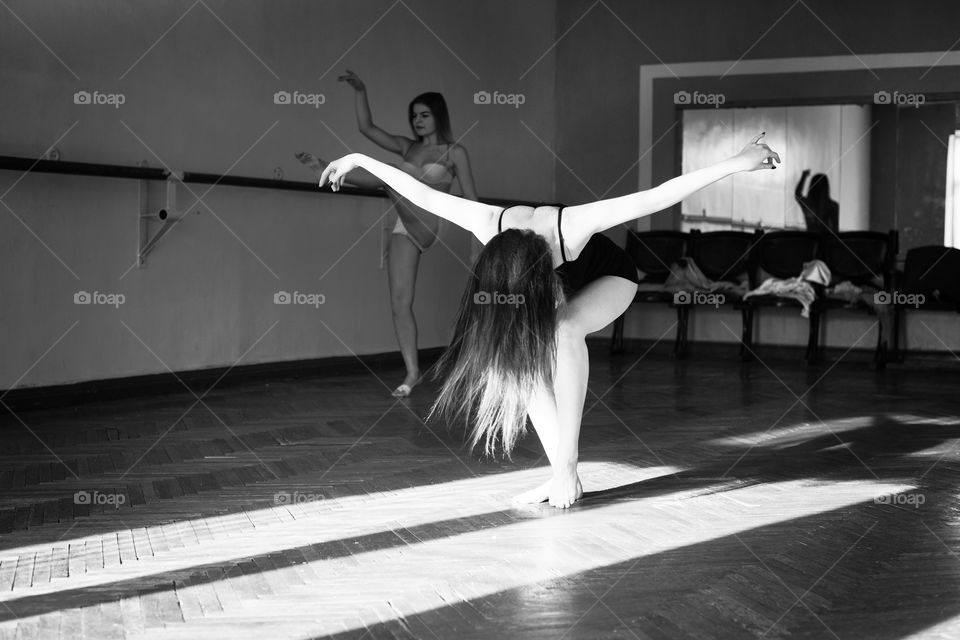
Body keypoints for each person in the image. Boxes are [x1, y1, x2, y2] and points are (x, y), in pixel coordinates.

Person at [320, 134, 780, 509]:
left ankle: (567, 467)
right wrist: (358, 157)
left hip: (610, 279)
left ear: (545, 272)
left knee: (563, 331)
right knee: (515, 357)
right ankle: (563, 474)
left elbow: (658, 195)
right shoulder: (485, 222)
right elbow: (420, 193)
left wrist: (738, 162)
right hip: (543, 283)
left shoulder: (573, 226)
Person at [296, 70, 479, 397]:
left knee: (387, 178)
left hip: (431, 221)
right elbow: (367, 128)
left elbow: (473, 200)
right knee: (399, 302)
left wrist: (479, 244)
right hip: (403, 223)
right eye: (414, 116)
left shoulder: (455, 152)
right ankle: (411, 373)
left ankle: (331, 168)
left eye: (424, 115)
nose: (418, 121)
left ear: (439, 115)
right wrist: (360, 90)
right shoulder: (407, 148)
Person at [795, 169, 838, 235]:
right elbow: (835, 230)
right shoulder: (833, 206)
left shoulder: (807, 205)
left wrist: (803, 176)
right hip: (825, 242)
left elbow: (797, 194)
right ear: (826, 187)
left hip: (811, 241)